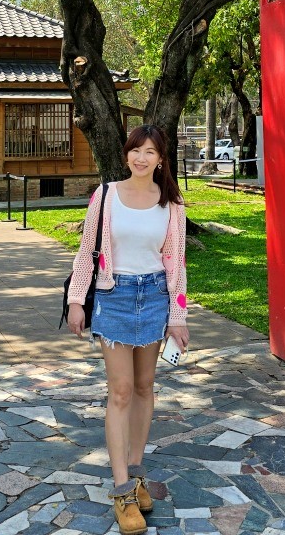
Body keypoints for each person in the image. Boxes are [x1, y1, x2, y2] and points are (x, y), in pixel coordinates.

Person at [66, 124, 189, 535]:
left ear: (160, 159)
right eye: (136, 151)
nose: (141, 158)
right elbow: (87, 250)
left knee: (144, 387)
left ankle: (136, 472)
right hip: (114, 296)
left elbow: (176, 263)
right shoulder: (106, 196)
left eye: (150, 152)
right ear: (127, 154)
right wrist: (74, 301)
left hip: (155, 297)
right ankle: (121, 489)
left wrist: (179, 316)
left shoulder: (171, 203)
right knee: (119, 391)